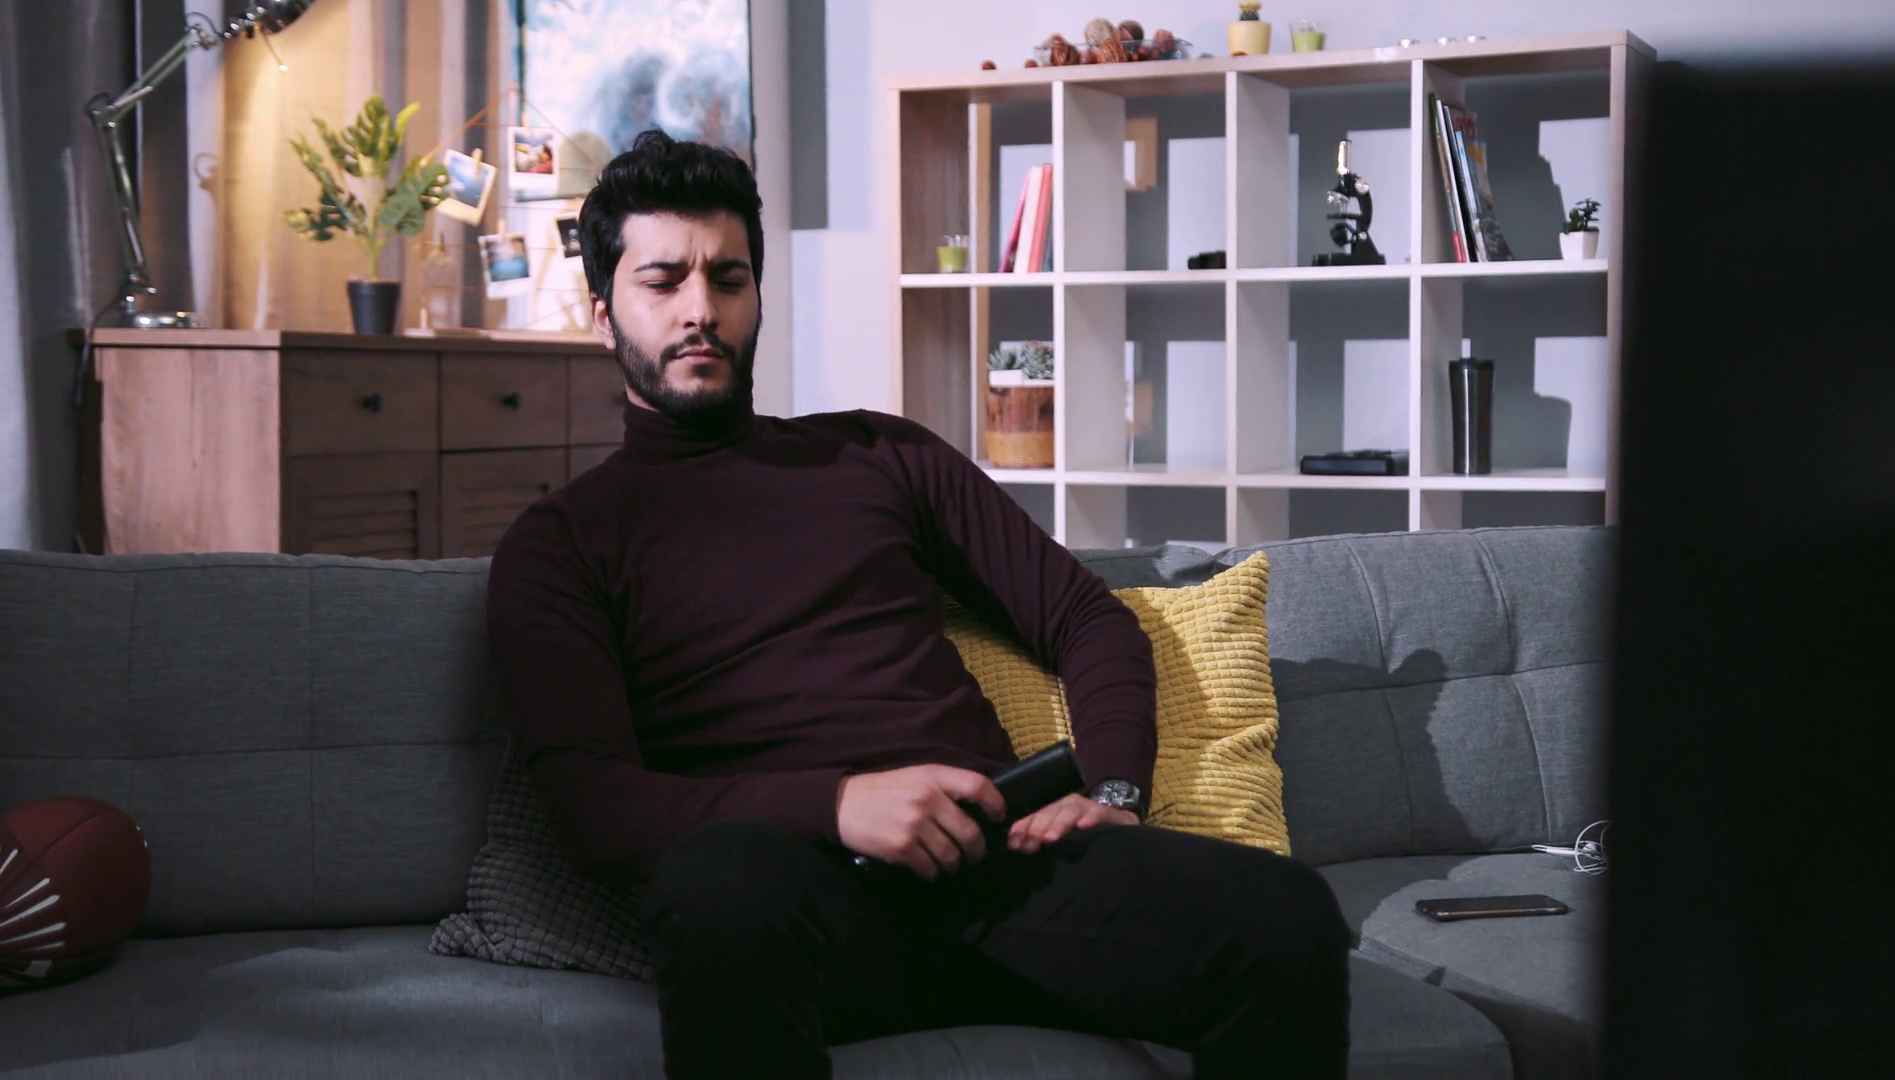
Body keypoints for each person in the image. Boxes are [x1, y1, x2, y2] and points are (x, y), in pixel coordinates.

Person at [487, 129, 1352, 1079]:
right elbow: (593, 803)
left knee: (1285, 913)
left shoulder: (879, 455)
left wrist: (1112, 792)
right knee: (718, 883)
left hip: (1000, 871)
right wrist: (837, 805)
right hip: (793, 901)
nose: (701, 309)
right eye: (663, 282)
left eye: (728, 279)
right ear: (604, 314)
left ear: (758, 299)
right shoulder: (561, 542)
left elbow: (1088, 618)